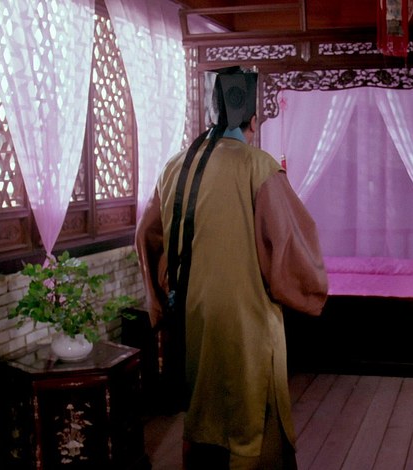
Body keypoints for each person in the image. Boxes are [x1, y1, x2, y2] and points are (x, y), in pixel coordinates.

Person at [135, 66, 328, 469]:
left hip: (192, 318)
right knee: (251, 417)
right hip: (246, 319)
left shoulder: (174, 167)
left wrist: (159, 297)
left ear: (212, 114)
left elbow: (147, 236)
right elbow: (289, 243)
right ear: (252, 120)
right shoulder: (258, 166)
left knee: (201, 411)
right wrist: (307, 290)